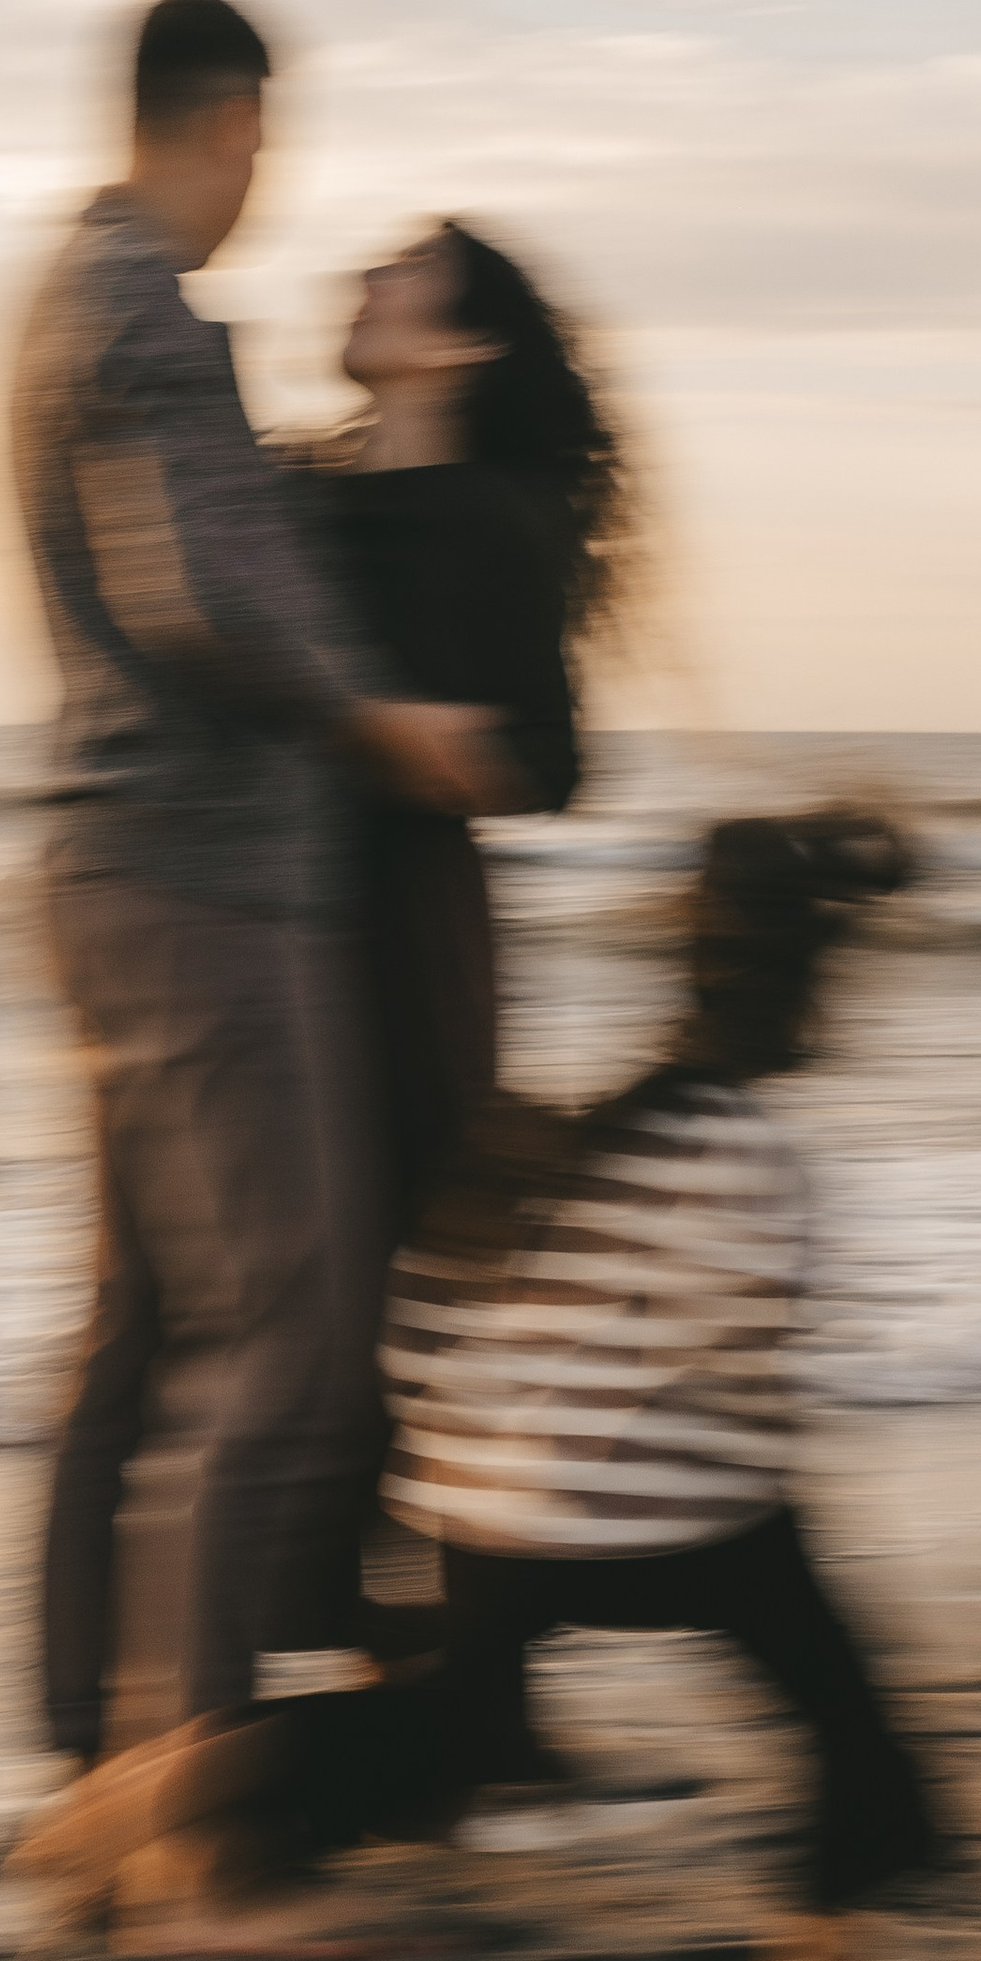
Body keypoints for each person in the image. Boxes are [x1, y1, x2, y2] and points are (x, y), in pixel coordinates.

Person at [12, 810, 966, 1961]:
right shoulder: (748, 1150)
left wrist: (441, 1494)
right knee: (851, 1729)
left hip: (473, 1517)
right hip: (667, 1519)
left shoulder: (565, 1137)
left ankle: (126, 1800)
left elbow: (424, 1325)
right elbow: (735, 1372)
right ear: (812, 992)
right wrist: (741, 1490)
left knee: (440, 1725)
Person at [11, 0, 490, 1797]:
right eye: (269, 139)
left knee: (143, 1329)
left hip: (112, 865)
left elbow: (194, 553)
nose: (268, 178)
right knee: (282, 1322)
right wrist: (384, 720)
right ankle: (186, 1807)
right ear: (233, 124)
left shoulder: (61, 294)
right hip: (203, 877)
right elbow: (191, 588)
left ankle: (92, 1750)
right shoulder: (148, 311)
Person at [310, 218, 630, 1233]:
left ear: (467, 342)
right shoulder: (294, 492)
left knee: (396, 1228)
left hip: (405, 922)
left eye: (410, 269)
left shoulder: (492, 517)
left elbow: (555, 761)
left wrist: (415, 746)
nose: (367, 274)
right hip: (268, 897)